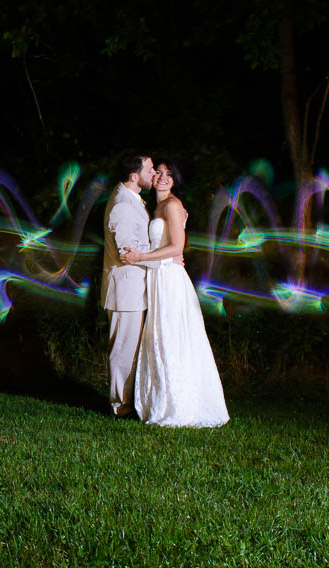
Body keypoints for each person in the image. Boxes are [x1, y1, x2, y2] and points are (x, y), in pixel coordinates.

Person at [121, 160, 229, 427]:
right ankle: (158, 400)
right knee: (158, 335)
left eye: (169, 174)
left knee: (170, 336)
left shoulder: (171, 205)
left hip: (169, 278)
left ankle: (179, 405)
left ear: (175, 180)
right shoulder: (155, 207)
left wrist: (140, 257)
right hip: (157, 278)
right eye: (159, 171)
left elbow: (176, 247)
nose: (162, 177)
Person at [101, 151, 177, 418]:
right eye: (149, 170)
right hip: (125, 290)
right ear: (134, 176)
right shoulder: (122, 204)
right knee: (123, 349)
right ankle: (119, 406)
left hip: (134, 288)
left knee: (130, 348)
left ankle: (128, 401)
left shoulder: (132, 198)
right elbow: (127, 252)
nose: (154, 173)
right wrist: (164, 259)